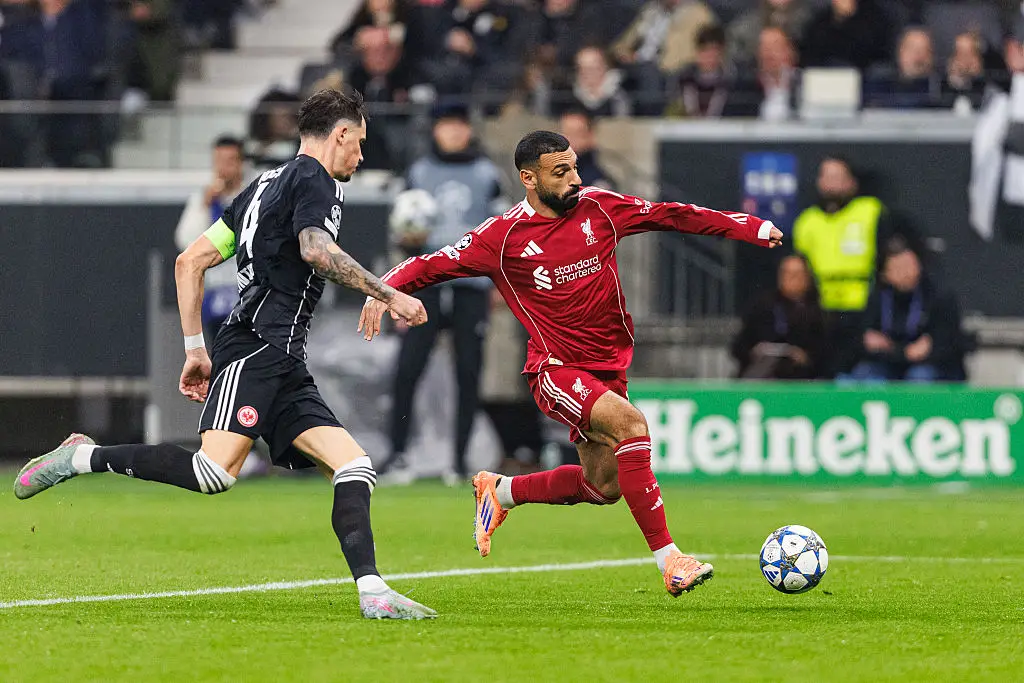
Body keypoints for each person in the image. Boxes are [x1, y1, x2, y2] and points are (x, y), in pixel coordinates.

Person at [14, 88, 437, 621]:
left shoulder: (260, 186)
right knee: (213, 473)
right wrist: (389, 293)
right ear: (342, 134)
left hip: (280, 358)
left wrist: (195, 350)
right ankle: (81, 456)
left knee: (354, 465)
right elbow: (314, 249)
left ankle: (373, 591)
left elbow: (190, 261)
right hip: (259, 347)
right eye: (359, 144)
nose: (360, 156)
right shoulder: (316, 180)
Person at [360, 130, 783, 596]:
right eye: (561, 172)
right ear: (528, 178)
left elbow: (671, 215)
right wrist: (381, 293)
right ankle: (671, 559)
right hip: (555, 370)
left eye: (575, 167)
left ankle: (500, 492)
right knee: (632, 426)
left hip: (608, 369)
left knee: (604, 487)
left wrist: (747, 226)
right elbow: (431, 263)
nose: (575, 180)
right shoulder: (500, 239)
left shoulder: (598, 208)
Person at [379, 105, 503, 483]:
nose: (452, 133)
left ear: (468, 130)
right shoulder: (419, 172)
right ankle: (398, 455)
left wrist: (500, 282)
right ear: (436, 129)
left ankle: (460, 462)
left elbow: (502, 231)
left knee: (469, 373)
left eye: (459, 125)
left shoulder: (486, 175)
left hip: (471, 286)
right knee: (407, 371)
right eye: (446, 125)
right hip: (426, 285)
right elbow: (399, 228)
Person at [793, 155, 914, 377]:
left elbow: (890, 253)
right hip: (821, 307)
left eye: (838, 176)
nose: (831, 183)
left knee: (862, 368)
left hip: (864, 304)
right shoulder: (807, 222)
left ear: (852, 183)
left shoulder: (869, 211)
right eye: (826, 176)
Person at [846, 243, 967, 382]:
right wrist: (901, 352)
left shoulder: (938, 296)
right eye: (899, 268)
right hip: (888, 362)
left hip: (930, 365)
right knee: (863, 374)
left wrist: (928, 348)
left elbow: (949, 343)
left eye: (910, 265)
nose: (907, 273)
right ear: (885, 274)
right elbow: (865, 340)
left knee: (920, 376)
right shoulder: (877, 298)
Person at [174, 136, 248, 346]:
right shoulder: (203, 199)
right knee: (220, 351)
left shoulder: (252, 196)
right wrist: (206, 205)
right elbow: (184, 242)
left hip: (245, 289)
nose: (224, 168)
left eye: (230, 161)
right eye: (219, 161)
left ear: (241, 163)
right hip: (216, 291)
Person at [731, 254, 825, 379]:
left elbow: (824, 352)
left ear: (807, 278)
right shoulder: (763, 306)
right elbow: (739, 346)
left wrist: (803, 356)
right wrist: (755, 351)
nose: (792, 279)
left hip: (802, 379)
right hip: (764, 377)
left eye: (797, 274)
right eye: (787, 273)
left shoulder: (819, 313)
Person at [864, 28, 941, 109]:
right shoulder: (881, 82)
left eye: (925, 50)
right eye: (913, 49)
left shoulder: (939, 89)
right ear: (900, 52)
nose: (919, 57)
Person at [558, 108, 615, 189]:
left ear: (591, 136)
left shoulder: (598, 183)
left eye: (578, 134)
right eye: (567, 133)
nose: (571, 140)